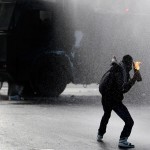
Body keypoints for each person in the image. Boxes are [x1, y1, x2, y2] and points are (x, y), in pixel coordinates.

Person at [97, 55, 139, 148]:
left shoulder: (117, 67)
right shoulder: (122, 72)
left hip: (105, 97)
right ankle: (123, 140)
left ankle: (100, 134)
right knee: (129, 121)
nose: (131, 68)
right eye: (131, 65)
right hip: (113, 99)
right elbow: (123, 89)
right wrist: (133, 79)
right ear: (128, 63)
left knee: (106, 114)